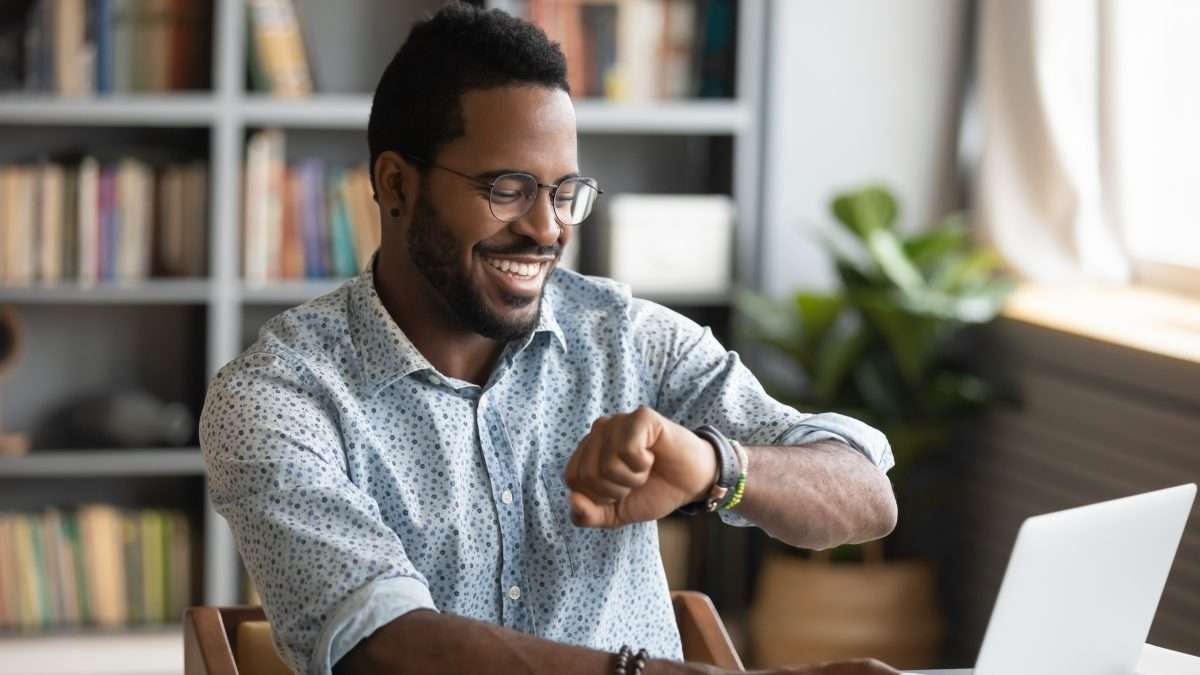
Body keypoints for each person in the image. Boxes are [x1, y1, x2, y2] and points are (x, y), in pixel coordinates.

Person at [199, 4, 902, 675]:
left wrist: (717, 465)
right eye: (508, 187)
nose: (547, 229)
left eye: (565, 191)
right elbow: (385, 646)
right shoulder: (275, 399)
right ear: (395, 185)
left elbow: (868, 494)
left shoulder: (627, 339)